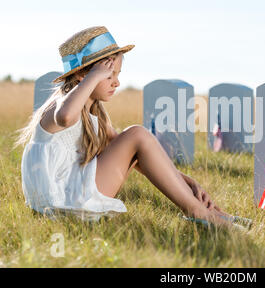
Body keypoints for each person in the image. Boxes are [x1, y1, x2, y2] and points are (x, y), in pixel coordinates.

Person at [14, 26, 249, 229]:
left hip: (72, 193)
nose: (116, 82)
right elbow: (65, 117)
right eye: (108, 75)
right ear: (82, 76)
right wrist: (93, 76)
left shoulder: (94, 114)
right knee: (137, 133)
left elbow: (141, 155)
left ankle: (207, 210)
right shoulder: (58, 108)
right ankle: (198, 213)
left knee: (136, 139)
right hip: (60, 199)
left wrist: (186, 181)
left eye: (117, 74)